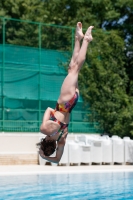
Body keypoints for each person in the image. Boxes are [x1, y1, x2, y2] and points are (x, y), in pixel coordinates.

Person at [37, 22, 94, 163]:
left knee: (71, 69)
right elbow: (49, 109)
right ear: (44, 142)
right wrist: (42, 154)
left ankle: (77, 38)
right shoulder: (44, 129)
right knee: (75, 68)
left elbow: (57, 160)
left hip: (72, 102)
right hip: (63, 103)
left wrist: (45, 157)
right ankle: (86, 40)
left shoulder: (61, 139)